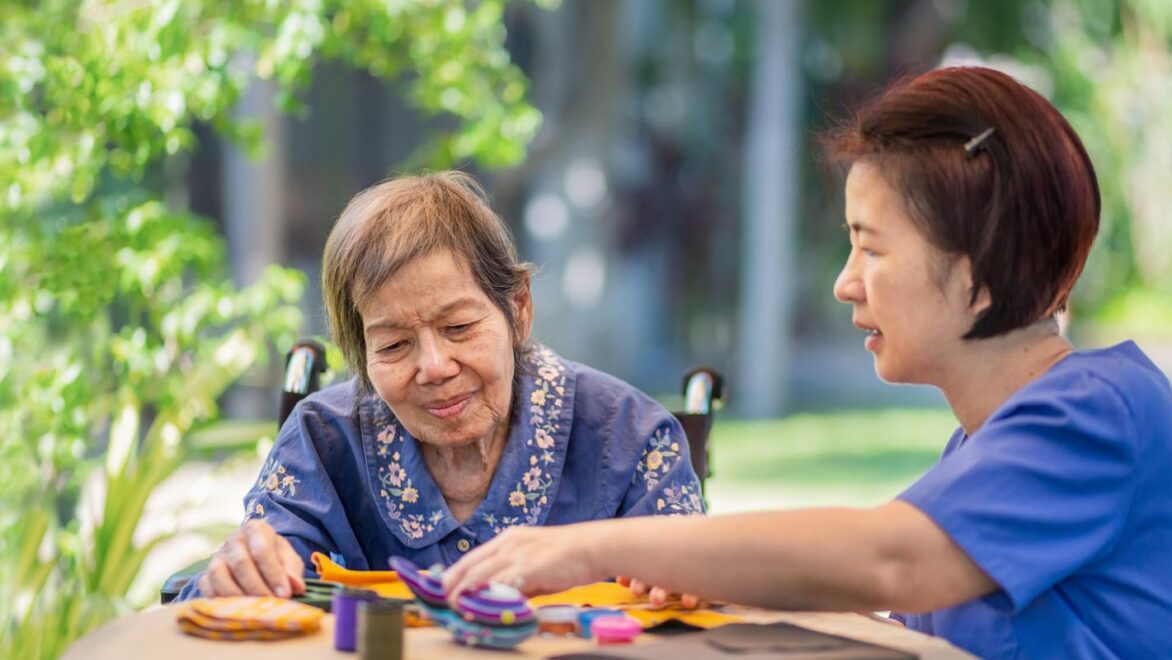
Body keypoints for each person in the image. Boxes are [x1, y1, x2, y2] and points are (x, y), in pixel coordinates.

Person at [442, 67, 1172, 658]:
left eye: (872, 246)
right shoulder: (986, 448)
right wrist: (707, 571)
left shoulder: (1101, 414)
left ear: (979, 266)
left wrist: (585, 548)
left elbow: (893, 560)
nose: (845, 282)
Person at [178, 171, 704, 600]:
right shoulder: (323, 440)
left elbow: (697, 590)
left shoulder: (630, 437)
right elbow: (237, 589)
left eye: (458, 328)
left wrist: (680, 580)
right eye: (393, 346)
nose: (433, 366)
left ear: (518, 309)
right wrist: (242, 571)